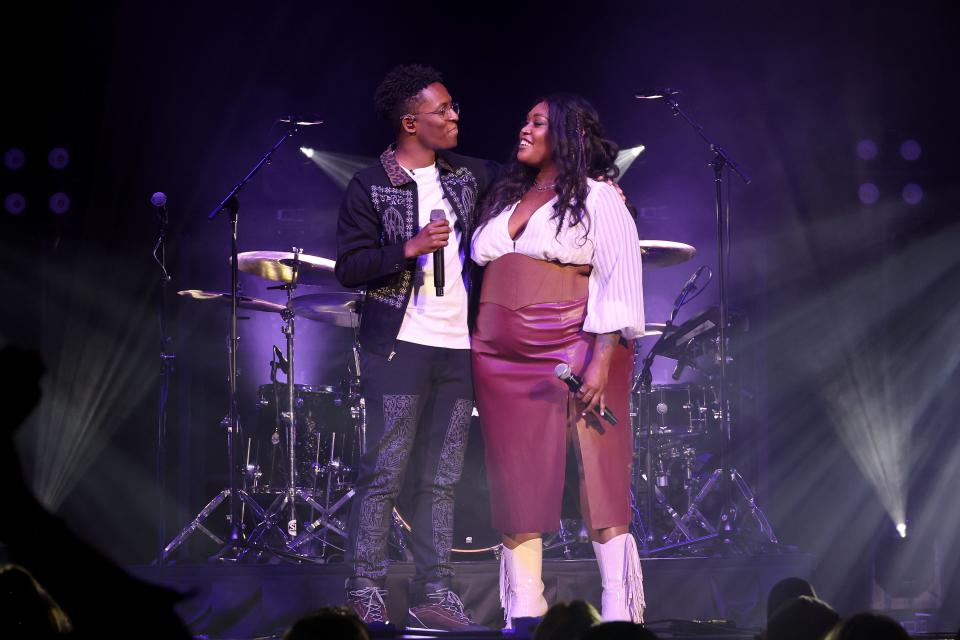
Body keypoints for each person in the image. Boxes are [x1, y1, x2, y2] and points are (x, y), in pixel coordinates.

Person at [471, 94, 646, 626]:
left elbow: (619, 279)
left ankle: (619, 615)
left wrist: (600, 358)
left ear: (567, 135)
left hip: (575, 342)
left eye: (537, 122)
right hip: (500, 358)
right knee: (517, 478)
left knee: (600, 473)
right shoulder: (508, 196)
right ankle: (524, 613)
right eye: (524, 119)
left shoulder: (599, 196)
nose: (523, 128)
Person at [334, 64, 497, 631]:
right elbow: (349, 268)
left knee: (443, 476)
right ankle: (365, 590)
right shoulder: (369, 184)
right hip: (398, 344)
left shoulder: (471, 177)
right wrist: (409, 246)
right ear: (410, 121)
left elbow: (533, 189)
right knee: (383, 472)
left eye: (452, 107)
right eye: (443, 109)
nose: (455, 116)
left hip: (458, 348)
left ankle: (435, 592)